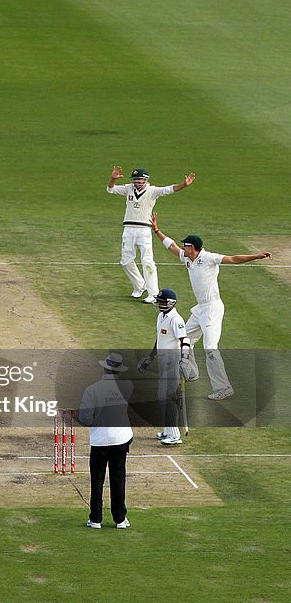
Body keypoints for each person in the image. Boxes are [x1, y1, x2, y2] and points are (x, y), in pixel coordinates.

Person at [151, 213, 272, 400]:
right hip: (200, 308)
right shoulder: (186, 257)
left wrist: (256, 256)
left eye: (187, 245)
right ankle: (192, 373)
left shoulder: (208, 258)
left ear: (195, 248)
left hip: (212, 309)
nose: (184, 247)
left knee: (210, 348)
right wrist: (157, 230)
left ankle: (223, 387)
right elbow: (172, 246)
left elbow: (233, 259)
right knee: (184, 339)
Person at [107, 166, 195, 303]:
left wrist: (184, 184)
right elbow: (110, 189)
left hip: (144, 230)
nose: (137, 182)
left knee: (147, 261)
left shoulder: (152, 191)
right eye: (135, 180)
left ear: (145, 180)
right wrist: (113, 178)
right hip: (128, 229)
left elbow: (169, 189)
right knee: (125, 262)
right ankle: (140, 286)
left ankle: (153, 294)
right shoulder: (128, 188)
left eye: (140, 179)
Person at [77, 352, 134, 529]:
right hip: (120, 439)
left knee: (97, 480)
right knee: (118, 479)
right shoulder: (128, 386)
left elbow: (85, 418)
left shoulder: (92, 390)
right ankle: (120, 519)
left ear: (104, 368)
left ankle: (95, 519)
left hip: (100, 441)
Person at [137, 288, 195, 445]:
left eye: (163, 302)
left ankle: (175, 436)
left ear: (171, 303)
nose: (160, 304)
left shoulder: (176, 319)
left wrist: (184, 360)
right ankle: (167, 431)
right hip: (163, 361)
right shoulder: (161, 316)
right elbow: (159, 340)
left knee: (168, 398)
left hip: (173, 361)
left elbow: (185, 341)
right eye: (159, 301)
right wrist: (149, 358)